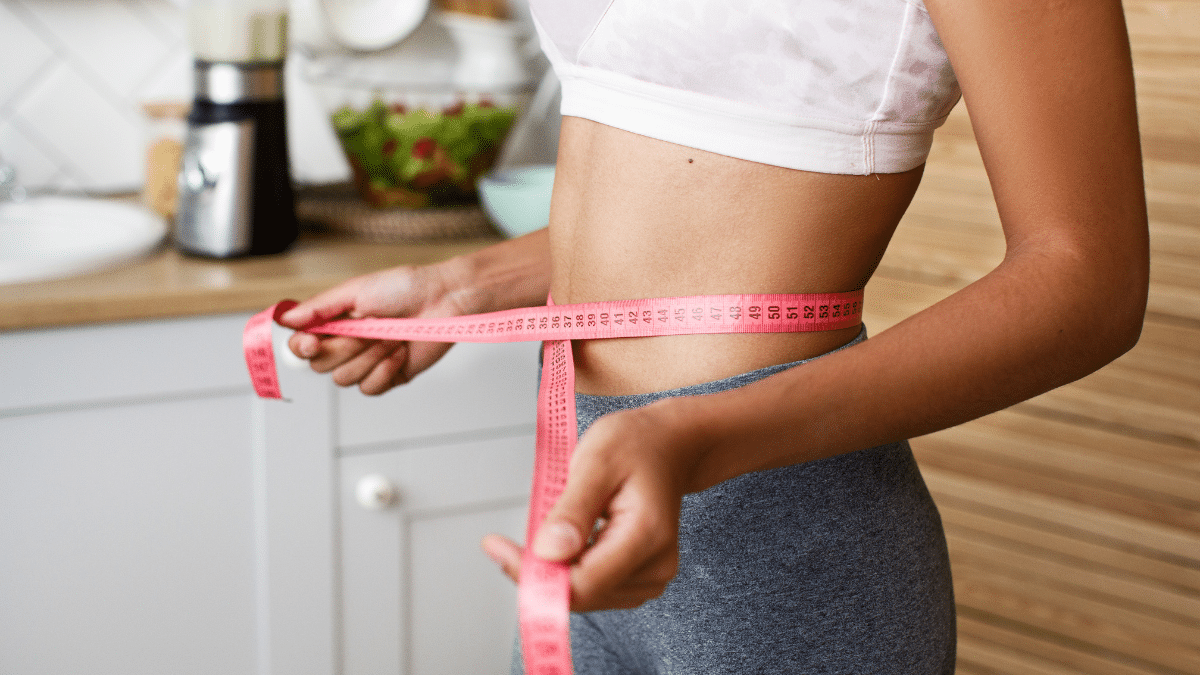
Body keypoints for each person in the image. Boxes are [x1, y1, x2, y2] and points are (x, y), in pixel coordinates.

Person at [280, 0, 1149, 672]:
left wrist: (692, 434)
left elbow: (1088, 279)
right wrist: (464, 284)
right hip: (587, 490)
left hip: (784, 551)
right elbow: (691, 182)